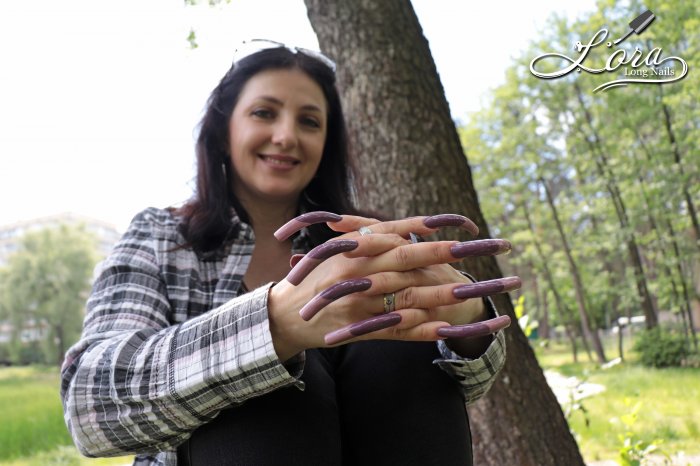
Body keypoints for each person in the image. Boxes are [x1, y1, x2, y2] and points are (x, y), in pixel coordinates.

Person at [60, 40, 520, 466]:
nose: (286, 136)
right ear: (223, 132)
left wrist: (465, 321)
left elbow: (464, 386)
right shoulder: (160, 236)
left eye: (309, 121)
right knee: (266, 378)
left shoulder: (366, 241)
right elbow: (88, 404)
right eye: (264, 112)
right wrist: (272, 327)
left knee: (390, 342)